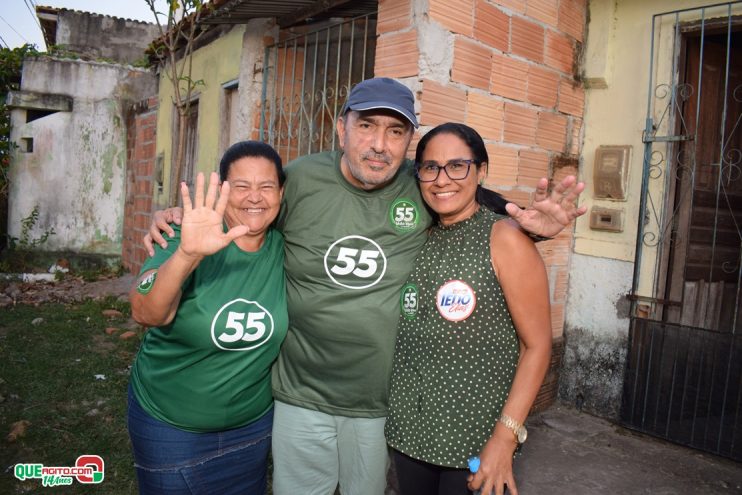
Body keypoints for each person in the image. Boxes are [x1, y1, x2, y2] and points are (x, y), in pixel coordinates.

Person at [144, 77, 585, 495]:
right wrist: (173, 219)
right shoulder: (299, 180)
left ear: (408, 141)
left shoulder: (423, 183)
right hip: (300, 395)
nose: (379, 144)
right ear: (342, 128)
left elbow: (467, 197)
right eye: (366, 126)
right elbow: (246, 203)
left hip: (380, 404)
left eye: (395, 132)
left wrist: (530, 226)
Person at [384, 123, 551, 495]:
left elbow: (537, 346)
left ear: (481, 171)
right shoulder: (419, 236)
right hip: (409, 433)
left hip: (475, 442)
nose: (442, 179)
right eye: (430, 168)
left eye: (457, 166)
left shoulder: (505, 238)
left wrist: (505, 438)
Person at [127, 141, 288, 495]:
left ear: (281, 192)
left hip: (252, 428)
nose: (254, 198)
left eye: (266, 186)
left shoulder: (287, 247)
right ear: (222, 190)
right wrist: (187, 254)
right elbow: (146, 312)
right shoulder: (186, 236)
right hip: (170, 427)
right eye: (242, 186)